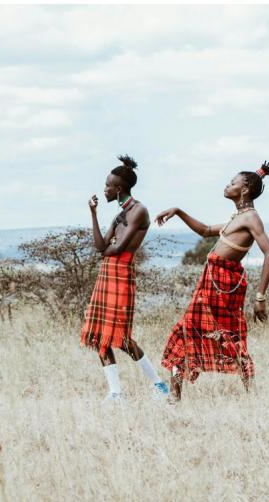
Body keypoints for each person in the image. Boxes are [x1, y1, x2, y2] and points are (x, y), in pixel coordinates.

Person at [154, 161, 269, 401]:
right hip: (213, 282)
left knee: (220, 335)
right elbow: (205, 230)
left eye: (233, 183)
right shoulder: (239, 217)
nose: (227, 185)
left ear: (244, 190)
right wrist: (178, 211)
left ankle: (176, 397)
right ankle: (175, 396)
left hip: (224, 284)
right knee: (195, 332)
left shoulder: (251, 218)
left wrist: (260, 296)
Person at [81, 154, 170, 404]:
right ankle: (115, 394)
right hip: (107, 274)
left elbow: (116, 249)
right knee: (99, 335)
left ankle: (159, 385)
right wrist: (93, 214)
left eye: (108, 186)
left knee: (120, 337)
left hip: (120, 274)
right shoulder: (119, 215)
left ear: (118, 188)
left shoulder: (138, 211)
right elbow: (101, 246)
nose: (105, 189)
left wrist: (109, 249)